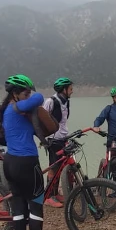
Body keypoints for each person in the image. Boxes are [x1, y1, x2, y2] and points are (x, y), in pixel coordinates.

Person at [0, 74, 52, 230]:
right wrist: (32, 95)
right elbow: (40, 98)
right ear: (15, 93)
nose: (28, 96)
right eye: (25, 93)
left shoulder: (7, 111)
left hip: (10, 162)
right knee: (36, 204)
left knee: (18, 206)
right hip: (27, 162)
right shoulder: (17, 107)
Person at [41, 77, 73, 208]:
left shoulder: (66, 102)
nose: (72, 91)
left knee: (60, 166)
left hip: (63, 138)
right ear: (64, 89)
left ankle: (55, 192)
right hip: (53, 140)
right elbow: (42, 118)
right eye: (70, 89)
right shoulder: (51, 101)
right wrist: (43, 139)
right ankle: (48, 196)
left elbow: (63, 121)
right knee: (53, 167)